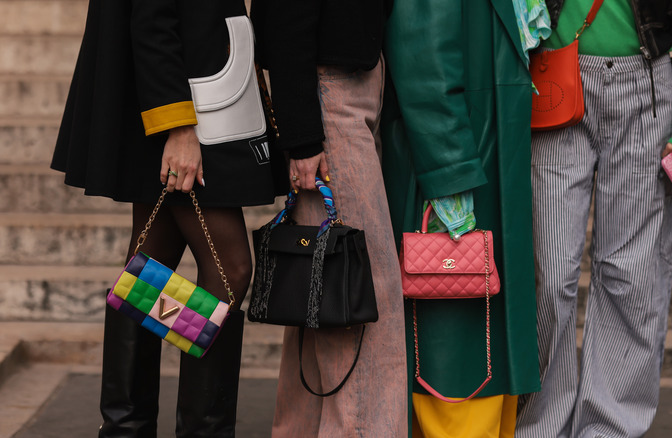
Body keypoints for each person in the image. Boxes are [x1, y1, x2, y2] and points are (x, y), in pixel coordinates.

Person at [51, 1, 285, 436]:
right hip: (186, 110)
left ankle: (126, 427)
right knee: (230, 269)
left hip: (187, 96)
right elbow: (152, 19)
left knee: (147, 273)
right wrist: (179, 129)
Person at [515, 1, 672, 437]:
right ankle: (539, 428)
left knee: (633, 278)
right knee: (547, 275)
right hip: (553, 76)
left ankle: (610, 430)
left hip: (644, 83)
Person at [381, 0, 547, 436]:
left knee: (484, 334)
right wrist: (449, 174)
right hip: (458, 167)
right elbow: (423, 64)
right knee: (456, 346)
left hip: (486, 159)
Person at [249, 1, 407, 436]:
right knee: (363, 286)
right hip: (328, 97)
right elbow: (285, 16)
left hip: (350, 86)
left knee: (321, 288)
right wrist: (301, 137)